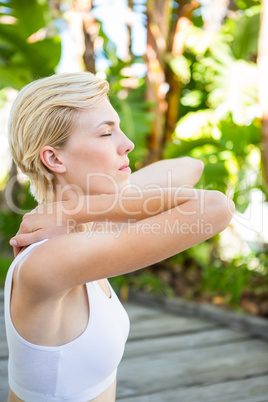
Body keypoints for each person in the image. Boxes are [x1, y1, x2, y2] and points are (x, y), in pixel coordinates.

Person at [5, 72, 235, 402]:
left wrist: (74, 210)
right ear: (54, 158)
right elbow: (215, 207)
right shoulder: (50, 257)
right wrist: (74, 212)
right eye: (106, 133)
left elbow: (190, 166)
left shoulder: (90, 224)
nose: (127, 143)